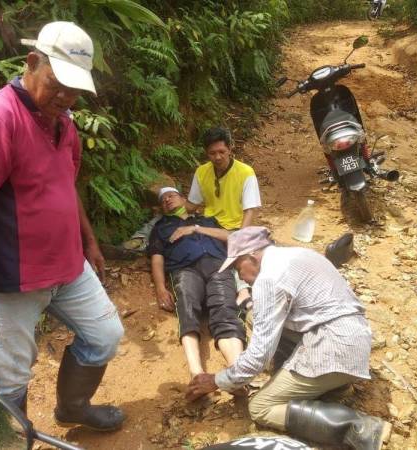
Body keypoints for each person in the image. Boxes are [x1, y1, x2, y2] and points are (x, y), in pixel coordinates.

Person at [0, 22, 125, 431]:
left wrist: (88, 242)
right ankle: (11, 439)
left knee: (105, 336)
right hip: (13, 280)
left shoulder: (64, 121)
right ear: (31, 63)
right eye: (57, 85)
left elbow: (66, 185)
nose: (65, 97)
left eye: (74, 90)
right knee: (10, 376)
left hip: (68, 265)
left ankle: (73, 408)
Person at [188, 227, 391, 450]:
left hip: (335, 349)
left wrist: (217, 380)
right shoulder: (298, 254)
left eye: (238, 268)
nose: (241, 276)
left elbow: (258, 356)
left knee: (260, 407)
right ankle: (332, 387)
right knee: (256, 317)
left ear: (252, 256)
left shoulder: (269, 278)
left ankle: (359, 428)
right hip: (354, 338)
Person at [148, 187, 246, 398]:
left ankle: (237, 373)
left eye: (171, 195)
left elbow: (230, 237)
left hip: (217, 266)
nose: (167, 200)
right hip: (184, 269)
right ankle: (196, 373)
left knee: (225, 311)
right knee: (186, 306)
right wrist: (160, 287)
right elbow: (157, 258)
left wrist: (196, 228)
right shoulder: (160, 228)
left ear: (184, 199)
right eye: (163, 200)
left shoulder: (208, 220)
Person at [187, 127, 261, 303]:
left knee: (236, 255)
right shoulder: (201, 172)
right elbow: (192, 205)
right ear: (206, 153)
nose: (218, 157)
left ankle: (243, 292)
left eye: (222, 151)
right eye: (212, 153)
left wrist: (241, 237)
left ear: (230, 149)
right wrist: (173, 204)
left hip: (235, 227)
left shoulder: (245, 173)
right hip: (210, 225)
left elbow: (250, 210)